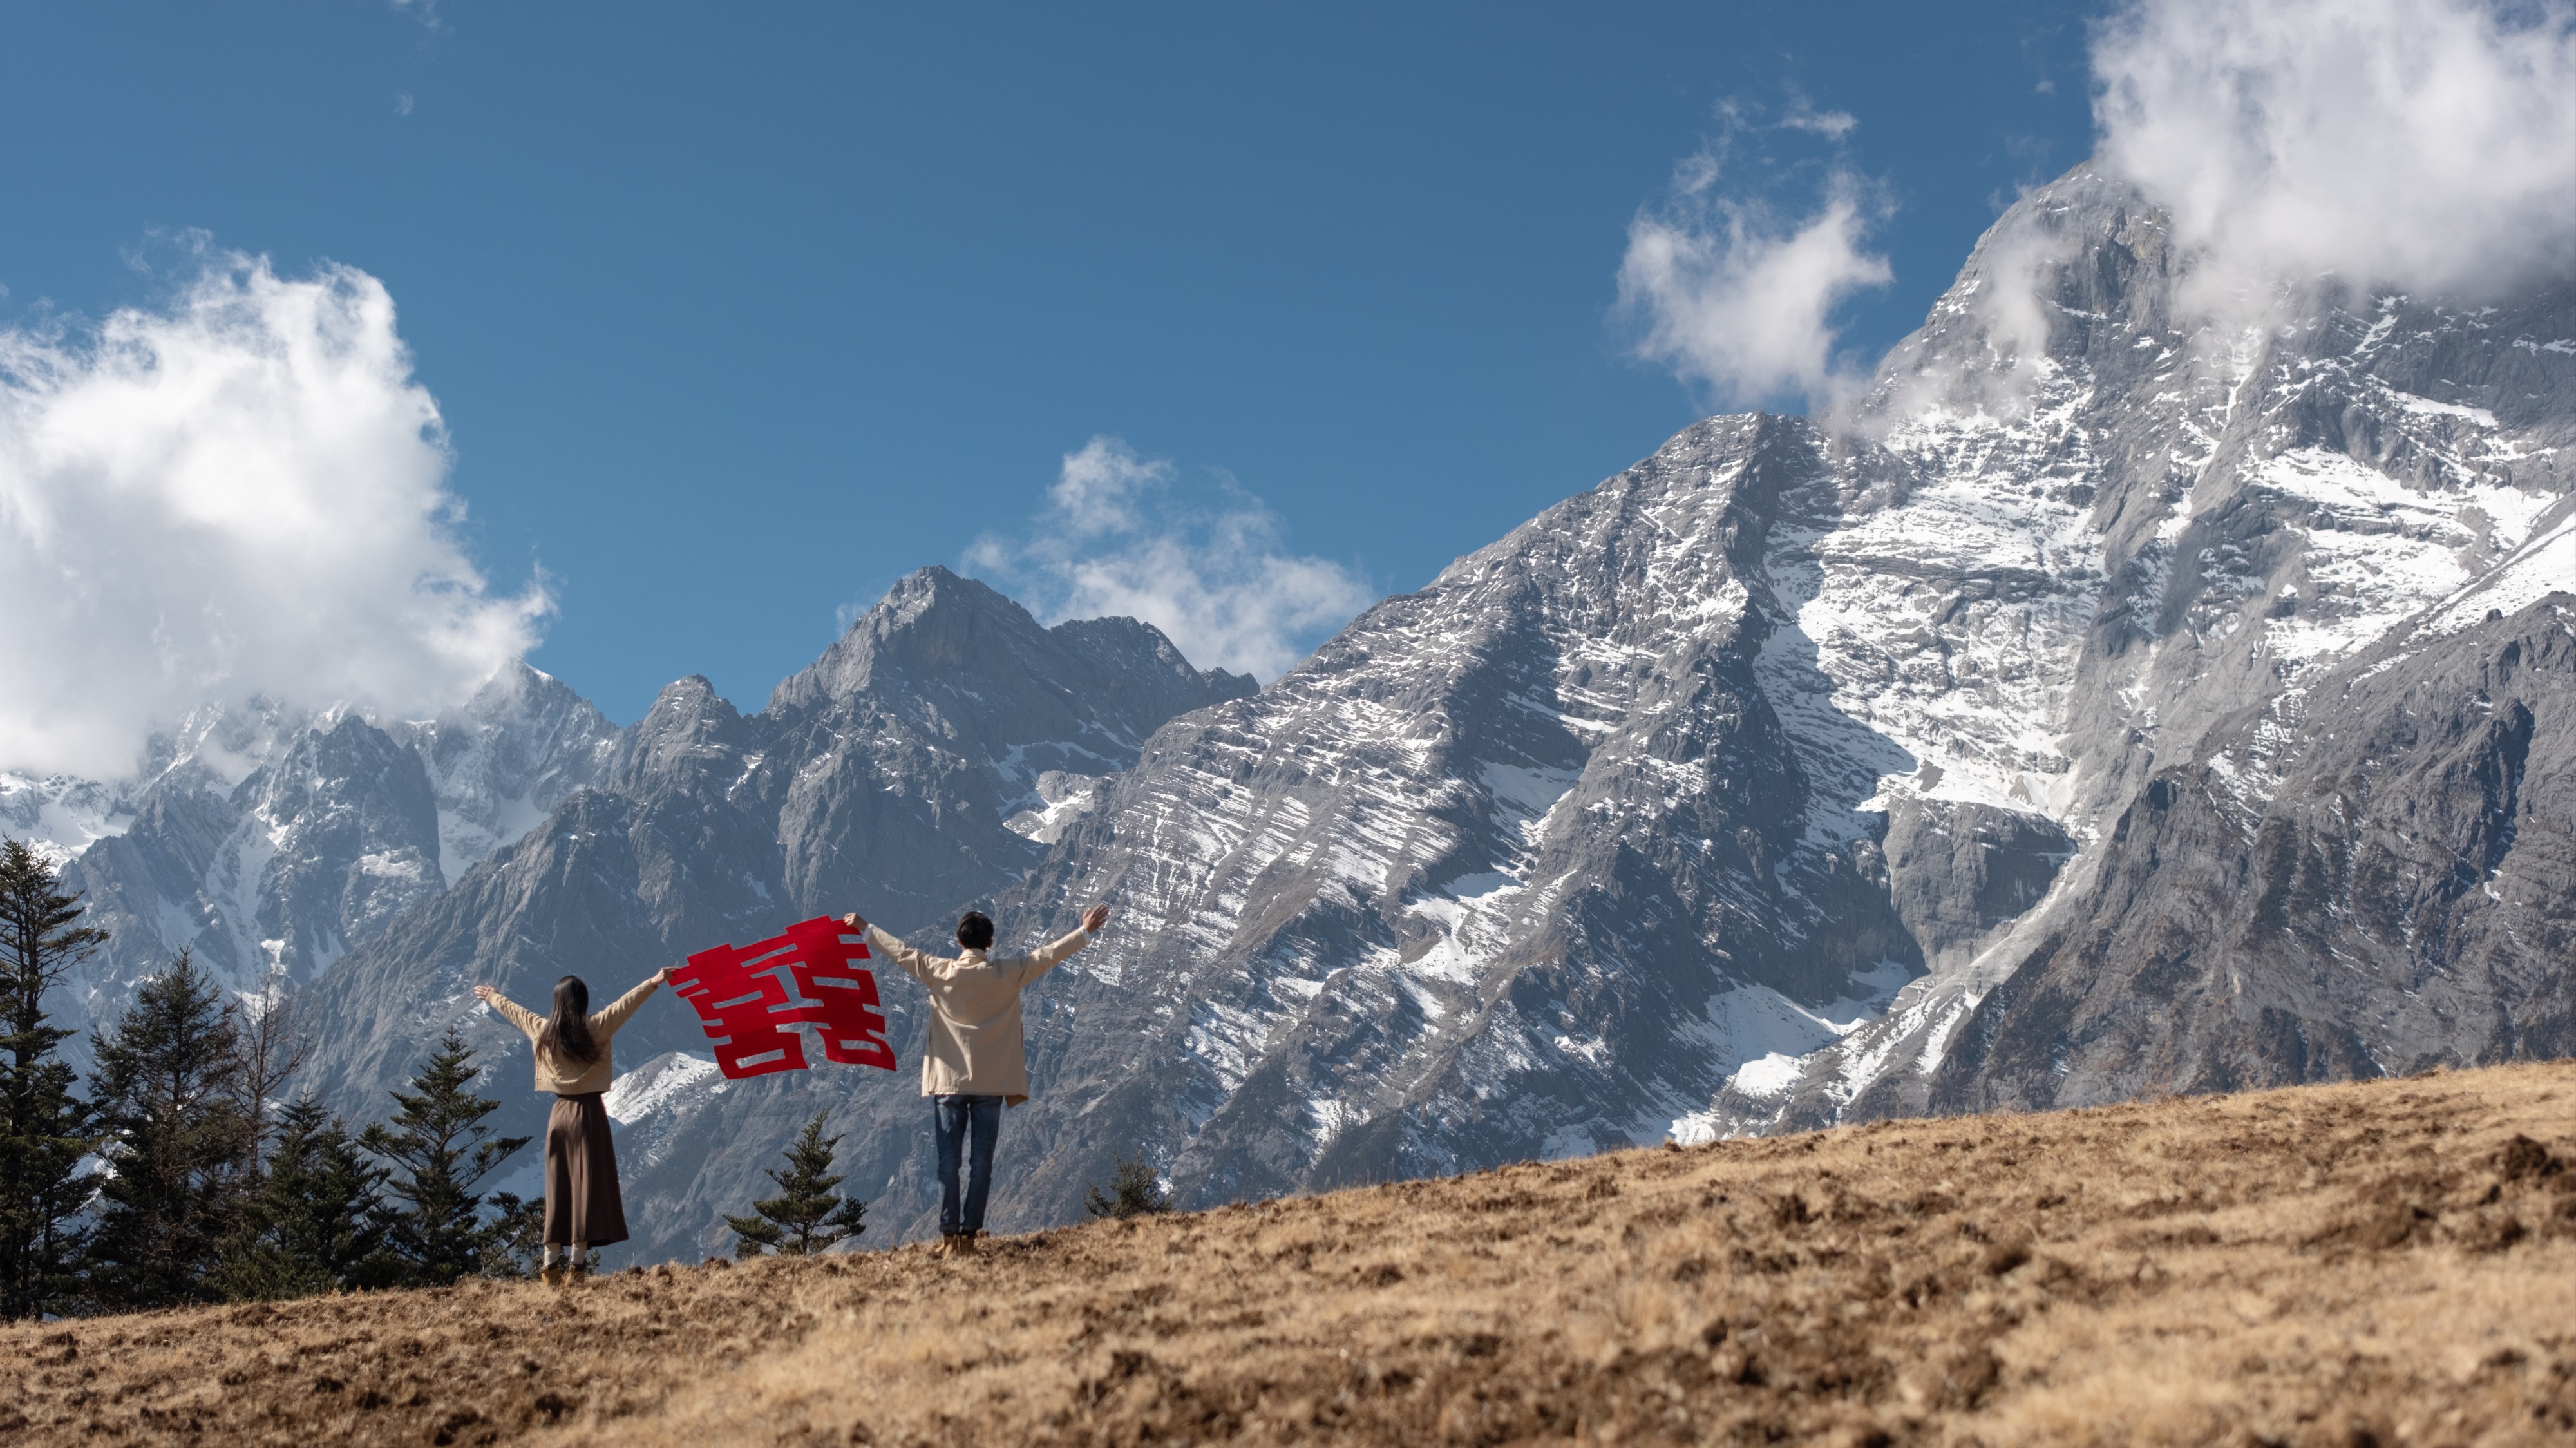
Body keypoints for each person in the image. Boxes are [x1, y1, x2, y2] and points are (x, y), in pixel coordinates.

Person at [842, 903, 1111, 1255]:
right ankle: (969, 1237)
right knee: (981, 1164)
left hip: (950, 1084)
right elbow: (1048, 956)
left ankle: (948, 1237)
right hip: (991, 1084)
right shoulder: (1009, 973)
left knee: (947, 1164)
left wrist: (864, 926)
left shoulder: (939, 971)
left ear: (959, 941)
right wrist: (1085, 932)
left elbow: (899, 952)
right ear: (991, 943)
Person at [473, 969, 668, 1283]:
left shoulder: (543, 1031)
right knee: (586, 1189)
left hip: (559, 1114)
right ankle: (576, 1266)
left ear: (558, 1002)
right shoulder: (595, 1028)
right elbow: (624, 1006)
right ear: (582, 1001)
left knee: (558, 1187)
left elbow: (516, 1013)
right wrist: (653, 982)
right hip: (589, 1113)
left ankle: (550, 1262)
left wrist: (492, 996)